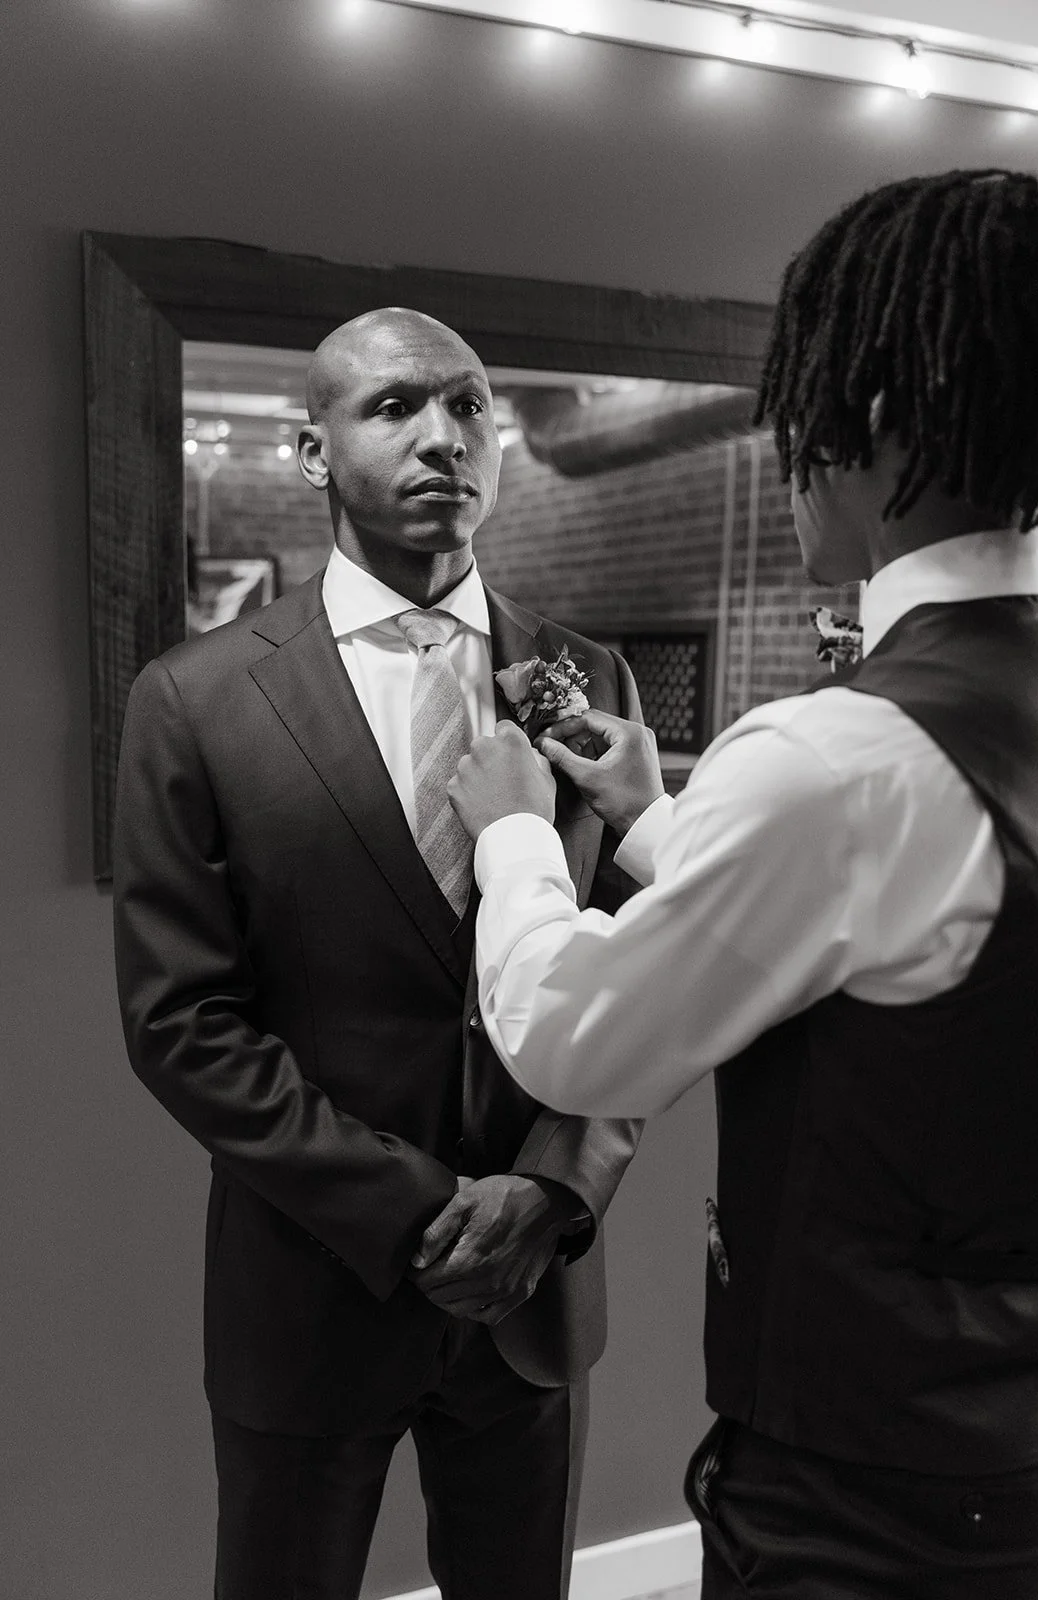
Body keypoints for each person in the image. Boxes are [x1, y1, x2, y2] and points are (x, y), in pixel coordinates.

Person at [446, 169, 1038, 1599]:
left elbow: (574, 1036)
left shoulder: (835, 754)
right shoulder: (964, 730)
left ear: (874, 420)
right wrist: (653, 819)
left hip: (867, 1487)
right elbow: (927, 930)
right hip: (1026, 1437)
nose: (788, 452)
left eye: (802, 410)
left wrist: (516, 836)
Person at [112, 307, 643, 1600]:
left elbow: (641, 980)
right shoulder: (193, 698)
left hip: (532, 1289)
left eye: (469, 406)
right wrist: (419, 1214)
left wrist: (552, 1191)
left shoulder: (589, 675)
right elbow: (182, 1022)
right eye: (395, 406)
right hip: (313, 1288)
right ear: (312, 450)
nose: (443, 437)